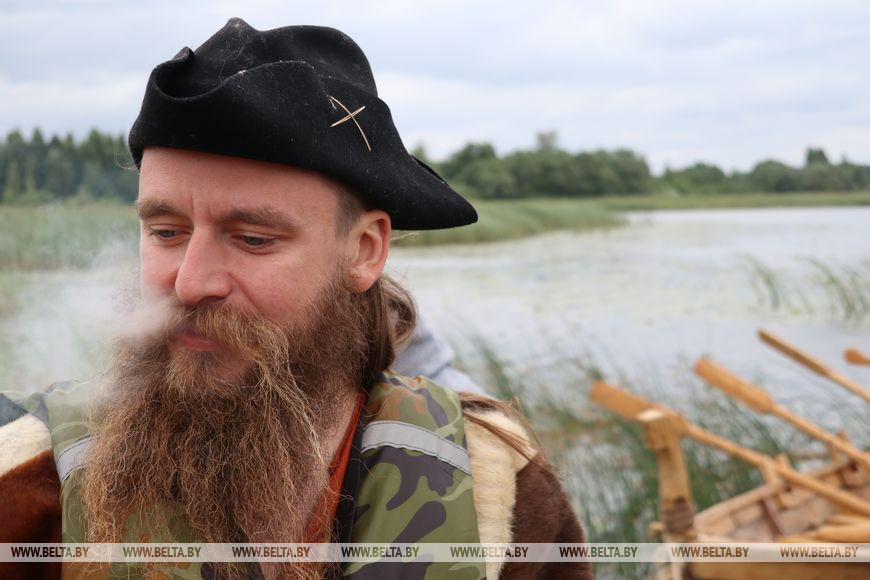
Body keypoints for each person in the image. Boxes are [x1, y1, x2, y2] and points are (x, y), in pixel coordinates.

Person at [0, 19, 589, 579]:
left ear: (363, 251)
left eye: (253, 239)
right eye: (165, 231)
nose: (189, 283)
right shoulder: (24, 473)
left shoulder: (497, 484)